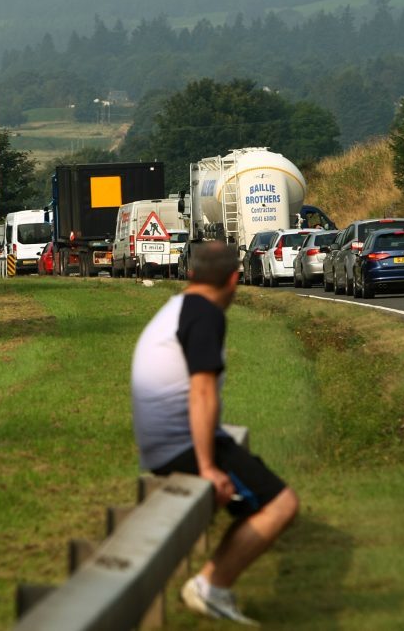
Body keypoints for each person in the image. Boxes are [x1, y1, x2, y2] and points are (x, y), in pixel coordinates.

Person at [131, 241, 299, 626]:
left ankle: (211, 583)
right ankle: (210, 586)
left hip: (161, 440)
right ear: (234, 279)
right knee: (281, 504)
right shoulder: (205, 313)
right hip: (182, 444)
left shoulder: (178, 307)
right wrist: (207, 466)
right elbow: (202, 391)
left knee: (260, 497)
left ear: (190, 274)